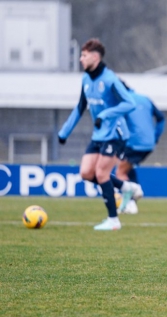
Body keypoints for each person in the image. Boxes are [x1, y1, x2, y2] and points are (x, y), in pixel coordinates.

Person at [57, 38, 140, 231]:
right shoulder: (86, 79)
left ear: (95, 57)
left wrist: (105, 114)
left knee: (102, 173)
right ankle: (127, 187)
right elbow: (80, 107)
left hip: (116, 133)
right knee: (86, 173)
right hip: (99, 135)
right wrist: (64, 132)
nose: (80, 59)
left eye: (83, 55)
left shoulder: (110, 79)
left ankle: (113, 220)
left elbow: (129, 103)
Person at [116, 81, 166, 214]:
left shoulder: (123, 101)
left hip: (134, 143)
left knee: (120, 172)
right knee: (127, 168)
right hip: (148, 144)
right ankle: (135, 191)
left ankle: (130, 202)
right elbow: (161, 118)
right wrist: (155, 137)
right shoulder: (145, 99)